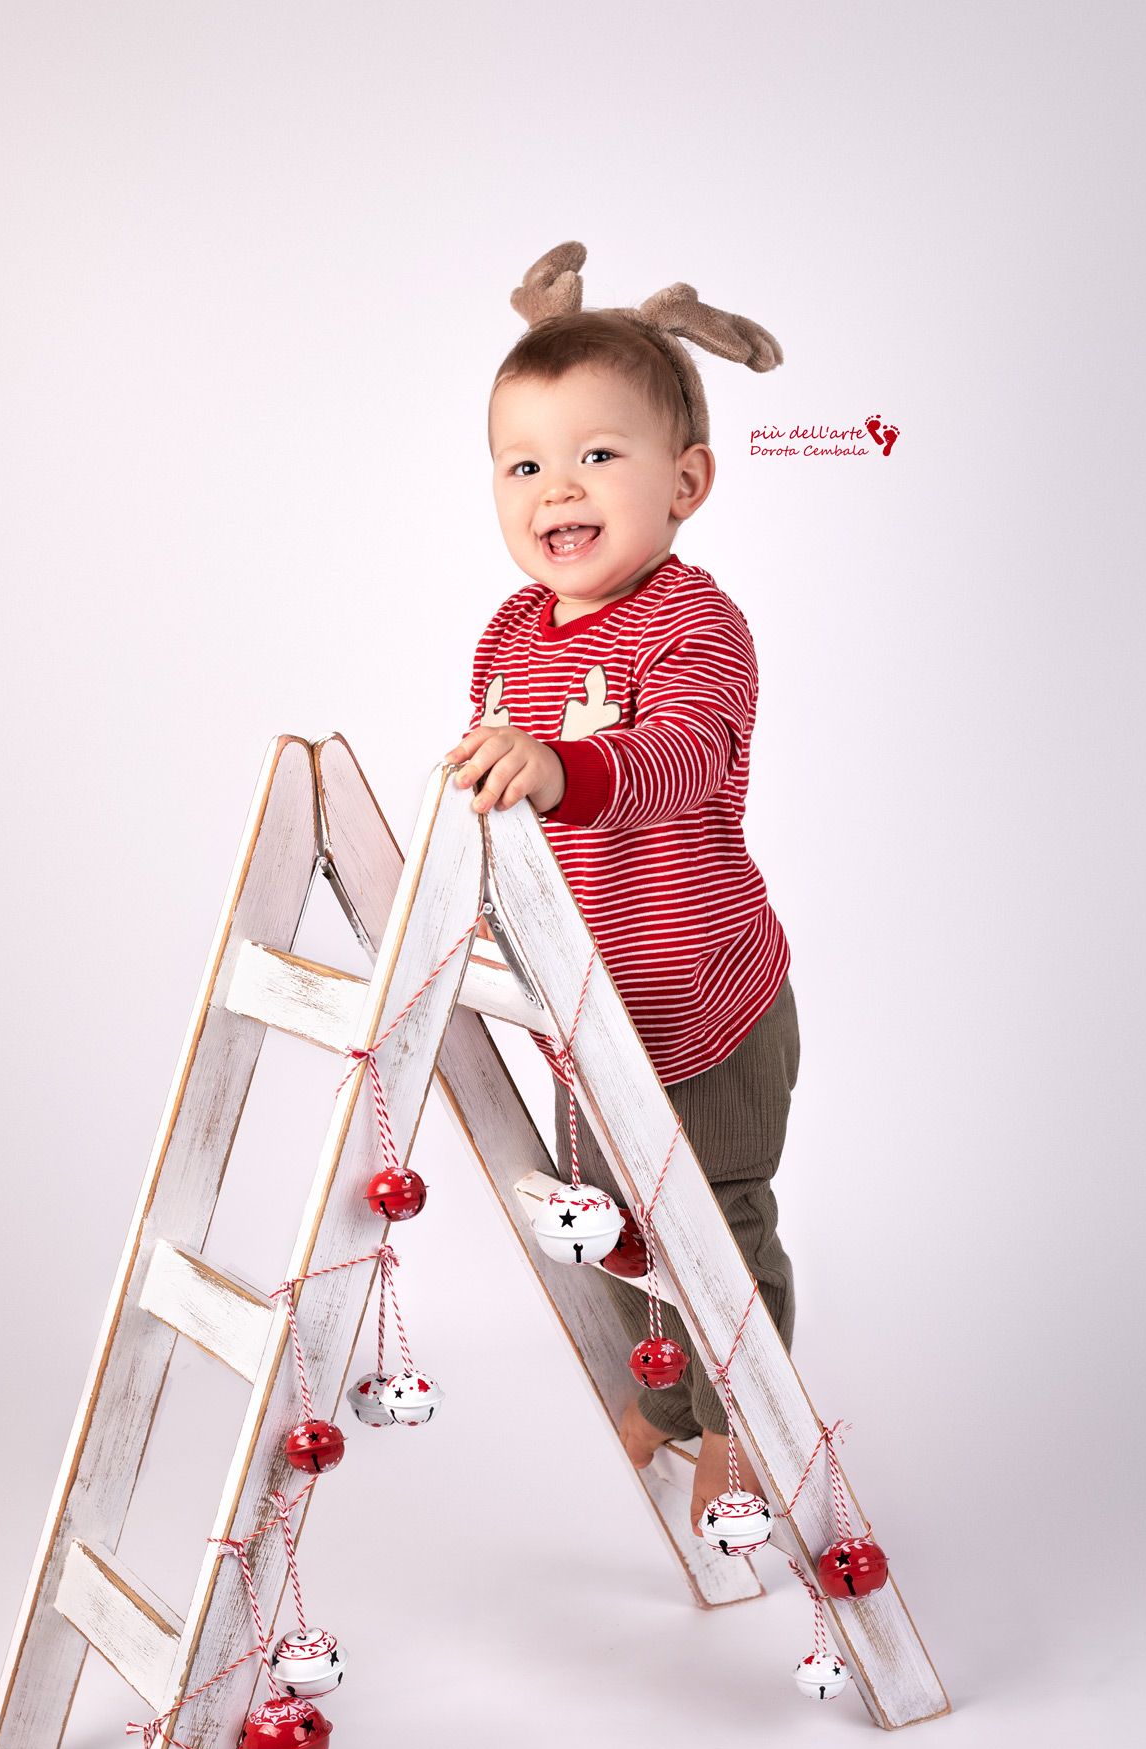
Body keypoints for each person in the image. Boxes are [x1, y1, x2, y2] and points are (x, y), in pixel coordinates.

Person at [445, 243, 799, 1538]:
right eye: (523, 464)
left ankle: (741, 1428)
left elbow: (681, 755)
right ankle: (665, 1391)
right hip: (586, 1005)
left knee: (713, 1221)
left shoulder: (694, 623)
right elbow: (503, 808)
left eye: (597, 454)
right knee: (608, 1225)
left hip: (705, 1000)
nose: (557, 488)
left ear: (684, 481)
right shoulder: (505, 633)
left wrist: (559, 765)